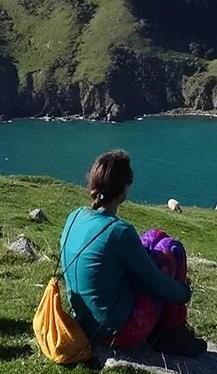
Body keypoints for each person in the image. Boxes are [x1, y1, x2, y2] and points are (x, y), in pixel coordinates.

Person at [60, 150, 207, 356]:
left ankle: (169, 330)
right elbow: (156, 282)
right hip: (115, 332)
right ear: (124, 189)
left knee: (155, 236)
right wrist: (183, 293)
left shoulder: (75, 216)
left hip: (84, 320)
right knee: (172, 249)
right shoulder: (119, 232)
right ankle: (172, 334)